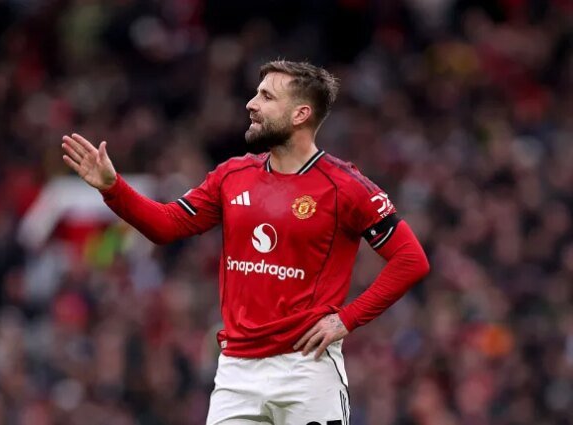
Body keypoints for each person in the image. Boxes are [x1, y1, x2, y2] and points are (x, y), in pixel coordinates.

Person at [61, 60, 430, 425]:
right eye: (256, 94)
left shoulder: (345, 186)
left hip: (307, 368)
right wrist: (113, 188)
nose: (251, 104)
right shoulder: (232, 175)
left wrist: (347, 319)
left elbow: (411, 259)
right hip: (237, 372)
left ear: (300, 114)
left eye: (267, 97)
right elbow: (167, 226)